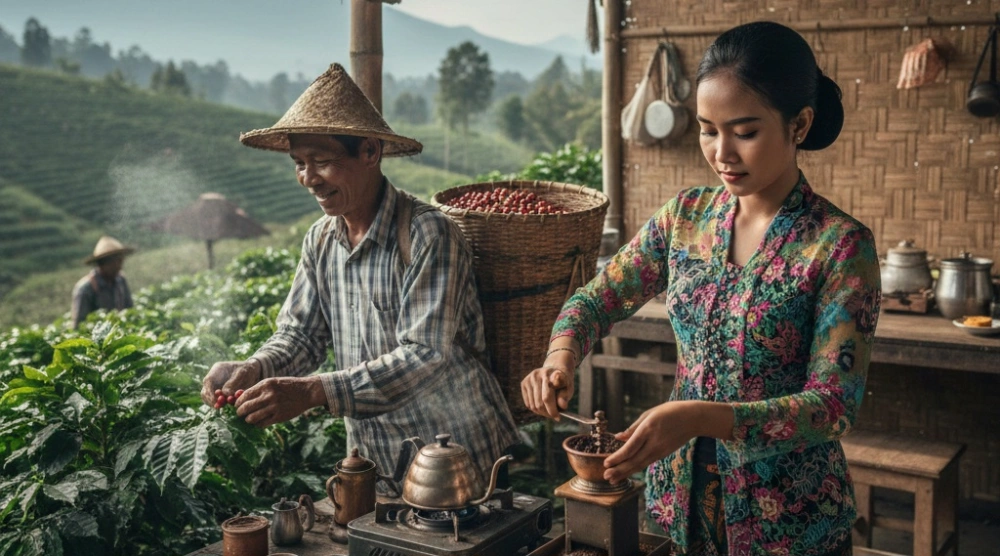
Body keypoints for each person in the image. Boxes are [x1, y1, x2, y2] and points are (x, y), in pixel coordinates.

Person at [522, 21, 881, 555]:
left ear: (799, 124)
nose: (722, 153)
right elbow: (595, 299)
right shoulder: (685, 219)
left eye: (745, 131)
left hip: (789, 520)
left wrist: (697, 417)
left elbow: (831, 407)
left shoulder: (839, 246)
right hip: (678, 505)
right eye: (709, 129)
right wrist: (560, 356)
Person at [200, 63, 519, 489]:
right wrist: (255, 368)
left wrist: (314, 392)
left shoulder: (428, 233)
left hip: (455, 459)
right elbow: (301, 335)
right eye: (298, 163)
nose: (308, 179)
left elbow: (424, 355)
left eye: (322, 161)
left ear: (370, 152)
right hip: (376, 460)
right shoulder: (320, 241)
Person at [71, 235, 136, 328]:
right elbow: (79, 326)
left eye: (121, 261)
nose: (120, 267)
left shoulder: (121, 280)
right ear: (103, 264)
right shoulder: (85, 289)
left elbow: (130, 310)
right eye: (116, 262)